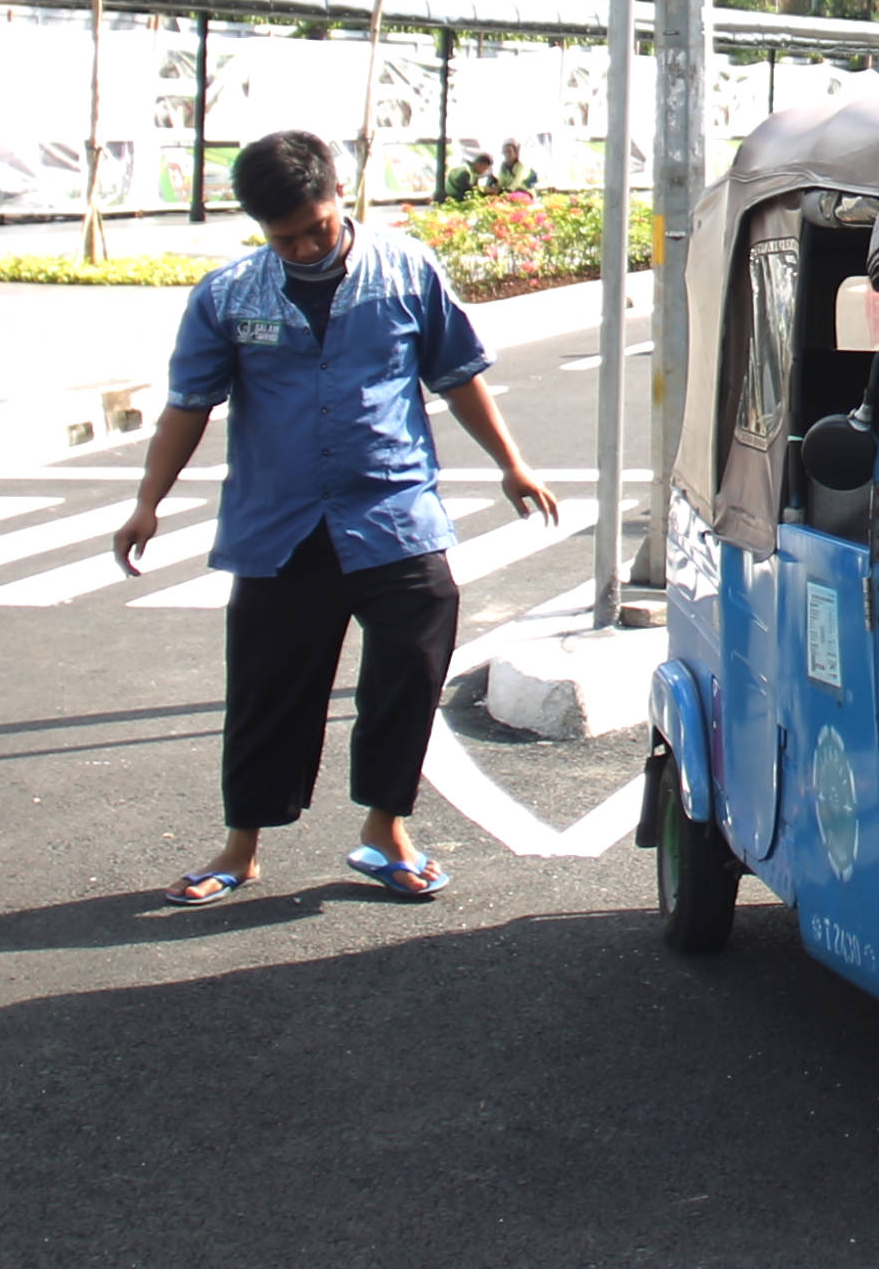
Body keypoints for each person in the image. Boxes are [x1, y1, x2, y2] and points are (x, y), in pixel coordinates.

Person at [115, 128, 562, 907]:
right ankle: (241, 846)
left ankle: (385, 829)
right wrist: (147, 502)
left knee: (413, 665)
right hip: (277, 525)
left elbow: (456, 374)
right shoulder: (227, 296)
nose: (303, 246)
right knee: (267, 688)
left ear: (339, 199)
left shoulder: (405, 268)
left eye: (315, 227)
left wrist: (510, 462)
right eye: (283, 237)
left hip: (393, 513)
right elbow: (186, 407)